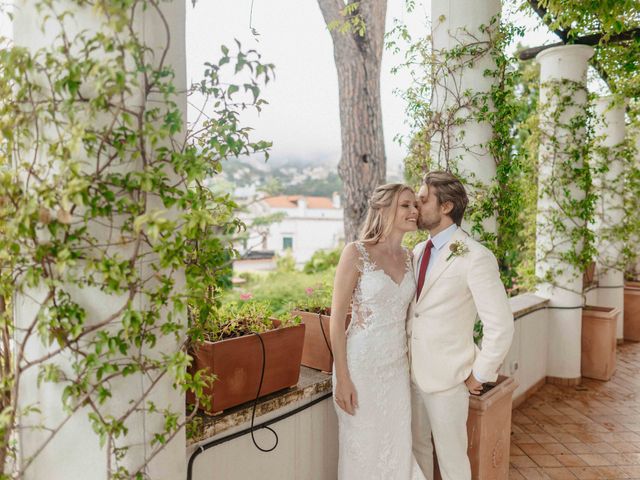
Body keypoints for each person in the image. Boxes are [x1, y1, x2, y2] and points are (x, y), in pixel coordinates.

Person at [408, 171, 514, 480]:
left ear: (446, 206)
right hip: (412, 373)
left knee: (453, 460)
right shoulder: (417, 252)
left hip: (448, 379)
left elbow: (500, 325)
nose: (416, 206)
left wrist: (479, 374)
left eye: (424, 199)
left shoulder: (476, 257)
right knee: (419, 452)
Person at [330, 183, 425, 480]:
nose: (414, 211)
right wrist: (343, 378)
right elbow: (336, 321)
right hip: (361, 368)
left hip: (396, 369)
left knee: (397, 444)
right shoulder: (355, 253)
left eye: (415, 205)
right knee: (363, 446)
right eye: (405, 205)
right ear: (384, 210)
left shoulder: (412, 257)